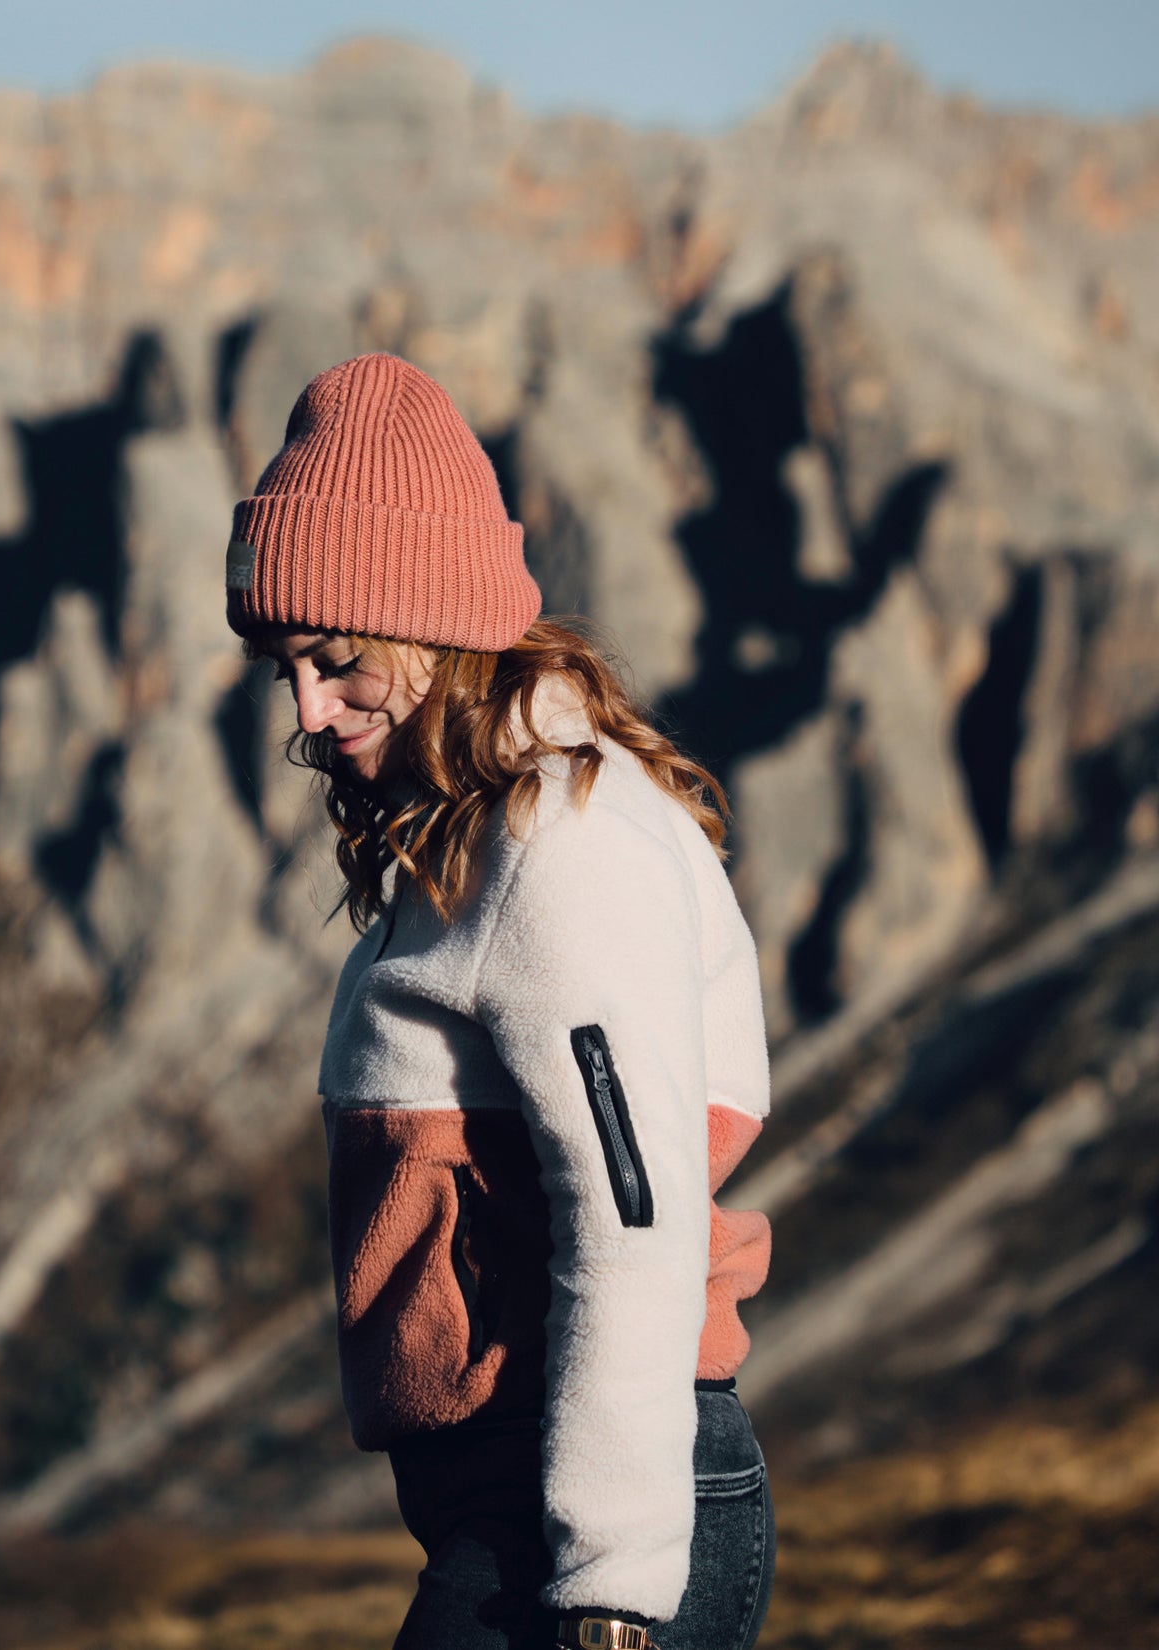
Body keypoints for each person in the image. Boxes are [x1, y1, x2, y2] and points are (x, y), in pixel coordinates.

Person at [224, 352, 775, 1650]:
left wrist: (612, 1576)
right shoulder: (479, 831)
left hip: (589, 1520)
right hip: (527, 1499)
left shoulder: (553, 849)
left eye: (338, 657)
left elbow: (632, 1207)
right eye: (284, 666)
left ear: (428, 622)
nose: (307, 707)